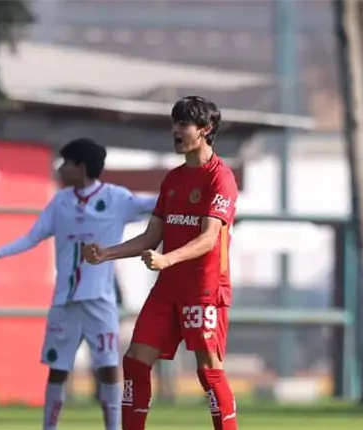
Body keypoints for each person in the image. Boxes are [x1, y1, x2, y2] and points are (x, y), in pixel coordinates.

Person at [0, 138, 157, 430]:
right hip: (65, 302)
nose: (60, 168)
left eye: (66, 163)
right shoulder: (60, 202)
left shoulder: (116, 198)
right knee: (58, 369)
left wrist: (192, 193)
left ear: (80, 167)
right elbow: (32, 236)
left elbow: (156, 205)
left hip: (100, 300)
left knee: (108, 367)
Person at [83, 96, 239, 430]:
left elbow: (210, 237)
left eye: (184, 124)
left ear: (206, 130)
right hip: (168, 289)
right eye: (175, 123)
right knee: (136, 360)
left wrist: (167, 259)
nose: (176, 131)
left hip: (204, 289)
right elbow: (152, 236)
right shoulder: (173, 179)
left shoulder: (220, 179)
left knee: (208, 369)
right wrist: (106, 254)